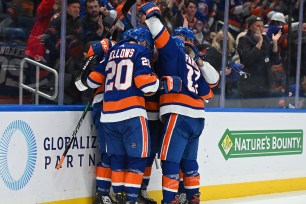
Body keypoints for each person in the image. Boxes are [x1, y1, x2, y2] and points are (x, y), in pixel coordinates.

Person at [87, 27, 177, 203]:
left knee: (117, 158)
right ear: (143, 41)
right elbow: (145, 84)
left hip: (108, 114)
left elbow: (91, 81)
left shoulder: (112, 51)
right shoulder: (141, 50)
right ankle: (131, 198)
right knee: (138, 158)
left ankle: (118, 195)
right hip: (131, 112)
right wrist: (162, 82)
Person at [140, 3, 218, 203]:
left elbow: (160, 34)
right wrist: (199, 61)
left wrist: (150, 15)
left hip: (179, 114)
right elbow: (209, 92)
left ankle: (170, 200)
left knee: (170, 160)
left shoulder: (173, 51)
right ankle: (193, 198)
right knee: (190, 161)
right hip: (198, 118)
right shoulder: (193, 63)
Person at [237, 15, 282, 108]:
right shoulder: (244, 39)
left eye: (262, 26)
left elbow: (274, 60)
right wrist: (259, 42)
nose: (261, 28)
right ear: (249, 27)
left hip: (265, 83)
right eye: (257, 26)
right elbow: (247, 59)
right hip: (250, 85)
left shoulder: (266, 39)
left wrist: (274, 43)